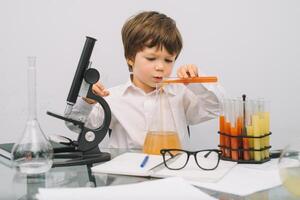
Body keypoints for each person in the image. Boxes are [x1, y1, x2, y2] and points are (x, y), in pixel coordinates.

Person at [66, 11, 225, 149]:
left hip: (172, 175)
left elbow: (216, 107)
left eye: (169, 60)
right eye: (151, 58)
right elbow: (75, 125)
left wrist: (196, 82)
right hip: (126, 177)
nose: (161, 67)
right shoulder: (112, 98)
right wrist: (88, 101)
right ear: (130, 58)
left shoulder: (181, 95)